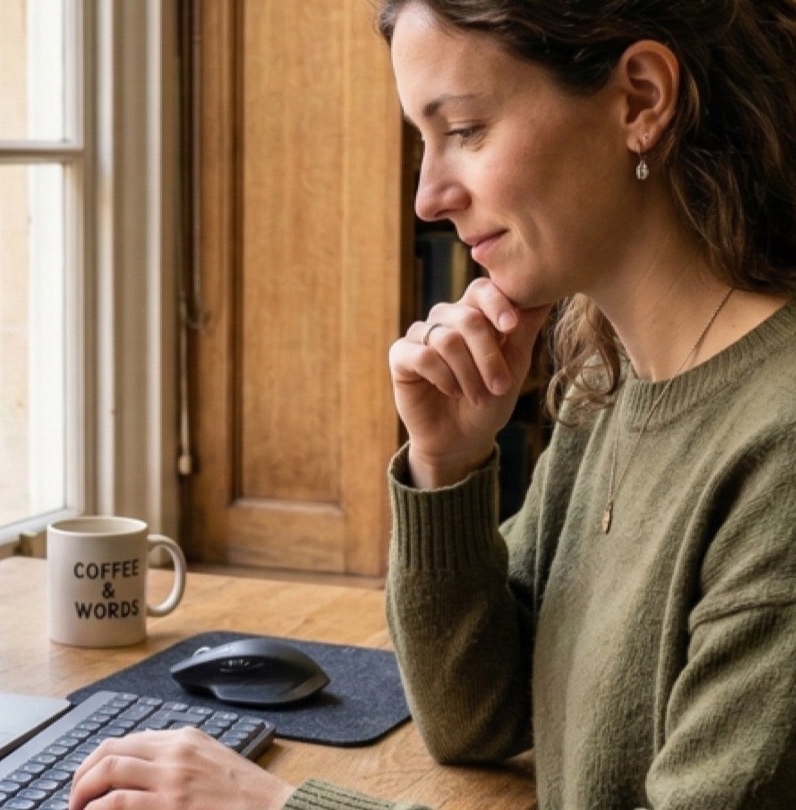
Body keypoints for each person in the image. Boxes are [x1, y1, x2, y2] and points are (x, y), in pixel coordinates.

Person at [68, 0, 796, 807]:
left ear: (640, 100)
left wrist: (276, 807)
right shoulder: (615, 392)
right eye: (424, 139)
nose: (428, 195)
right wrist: (445, 466)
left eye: (466, 129)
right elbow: (473, 716)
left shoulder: (779, 453)